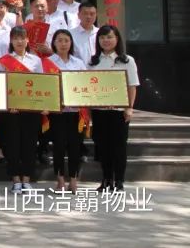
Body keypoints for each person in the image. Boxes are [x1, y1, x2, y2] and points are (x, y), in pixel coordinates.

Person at [89, 25, 140, 193]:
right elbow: (87, 86)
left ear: (117, 39)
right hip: (99, 111)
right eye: (102, 37)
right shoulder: (93, 61)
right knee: (102, 145)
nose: (106, 40)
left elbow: (132, 86)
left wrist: (129, 108)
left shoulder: (127, 60)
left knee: (119, 146)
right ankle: (106, 179)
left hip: (119, 111)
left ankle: (119, 180)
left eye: (109, 37)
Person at [0, 25, 43, 193]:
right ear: (11, 41)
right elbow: (0, 85)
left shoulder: (35, 61)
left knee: (29, 144)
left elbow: (41, 84)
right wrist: (8, 104)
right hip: (11, 110)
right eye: (16, 38)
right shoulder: (4, 61)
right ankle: (15, 179)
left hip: (30, 109)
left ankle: (27, 179)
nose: (19, 41)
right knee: (12, 144)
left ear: (27, 40)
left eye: (22, 38)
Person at [47, 29, 87, 192]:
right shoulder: (47, 62)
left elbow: (85, 86)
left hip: (76, 112)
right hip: (57, 113)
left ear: (71, 43)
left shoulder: (78, 63)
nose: (63, 44)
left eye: (66, 40)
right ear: (54, 43)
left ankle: (74, 180)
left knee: (75, 147)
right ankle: (60, 180)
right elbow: (44, 87)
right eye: (59, 40)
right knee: (58, 146)